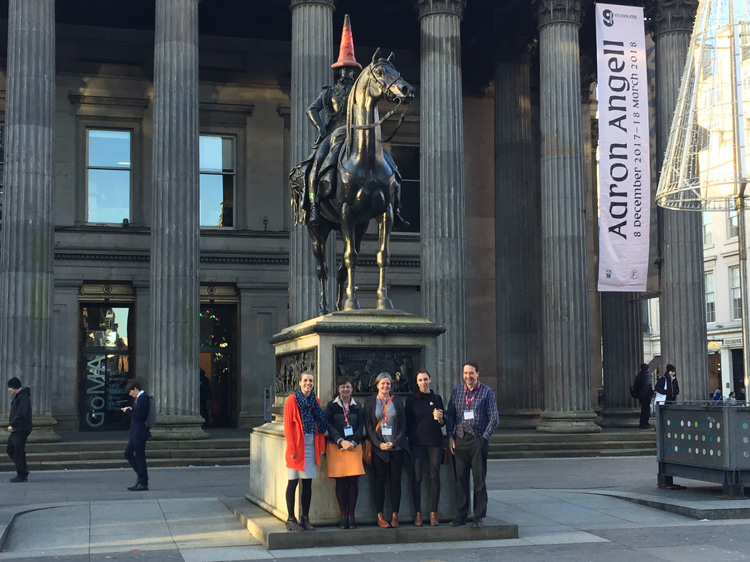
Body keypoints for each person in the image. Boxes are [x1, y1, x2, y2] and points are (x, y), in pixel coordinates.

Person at [293, 15, 408, 229]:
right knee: (316, 164)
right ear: (338, 71)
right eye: (343, 70)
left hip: (356, 133)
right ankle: (314, 205)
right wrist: (321, 128)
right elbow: (312, 110)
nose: (347, 73)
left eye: (350, 70)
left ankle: (397, 207)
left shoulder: (359, 91)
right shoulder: (330, 93)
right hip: (335, 135)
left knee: (392, 166)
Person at [446, 361, 498, 528]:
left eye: (471, 373)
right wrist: (450, 437)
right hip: (460, 439)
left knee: (479, 479)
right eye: (466, 373)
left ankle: (478, 516)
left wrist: (484, 438)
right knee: (460, 479)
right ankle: (461, 514)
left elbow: (494, 418)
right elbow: (450, 416)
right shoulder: (457, 391)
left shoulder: (486, 392)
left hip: (477, 439)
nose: (468, 376)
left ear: (478, 374)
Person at [284, 371, 328, 532]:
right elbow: (288, 427)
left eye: (310, 381)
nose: (308, 383)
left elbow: (320, 426)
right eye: (305, 380)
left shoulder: (315, 401)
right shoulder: (292, 400)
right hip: (296, 448)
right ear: (299, 383)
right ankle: (290, 518)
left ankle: (305, 518)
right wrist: (293, 449)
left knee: (307, 483)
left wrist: (321, 447)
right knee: (293, 481)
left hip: (310, 445)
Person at [364, 372, 409, 528]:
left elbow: (403, 424)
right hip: (379, 450)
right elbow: (368, 425)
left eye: (388, 384)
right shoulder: (370, 401)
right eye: (382, 383)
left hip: (395, 448)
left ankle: (395, 515)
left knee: (396, 481)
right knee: (379, 482)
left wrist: (395, 442)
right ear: (377, 385)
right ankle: (380, 515)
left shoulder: (397, 401)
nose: (385, 386)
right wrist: (378, 444)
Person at [325, 375, 365, 529]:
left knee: (353, 481)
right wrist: (340, 440)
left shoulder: (357, 406)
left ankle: (352, 515)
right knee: (340, 481)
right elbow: (328, 425)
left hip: (354, 447)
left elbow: (361, 426)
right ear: (338, 389)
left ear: (352, 388)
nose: (345, 389)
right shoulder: (332, 406)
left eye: (348, 386)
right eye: (342, 387)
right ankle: (343, 515)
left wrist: (354, 441)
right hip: (337, 447)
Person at [405, 370, 444, 527]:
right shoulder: (411, 400)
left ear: (430, 380)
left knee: (434, 476)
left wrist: (441, 419)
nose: (423, 382)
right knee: (416, 477)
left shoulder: (436, 398)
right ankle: (418, 513)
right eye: (420, 380)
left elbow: (443, 422)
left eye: (426, 379)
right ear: (417, 382)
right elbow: (407, 422)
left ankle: (434, 512)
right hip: (416, 443)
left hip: (434, 441)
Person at [120, 378, 151, 491]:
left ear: (136, 389)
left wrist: (128, 411)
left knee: (139, 456)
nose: (130, 394)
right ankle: (141, 477)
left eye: (131, 391)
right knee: (128, 453)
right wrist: (131, 409)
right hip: (137, 430)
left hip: (139, 431)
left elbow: (138, 415)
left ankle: (143, 480)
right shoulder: (142, 398)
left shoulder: (142, 398)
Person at [6, 377, 32, 483]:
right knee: (11, 449)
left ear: (14, 387)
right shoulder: (20, 396)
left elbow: (21, 413)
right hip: (18, 429)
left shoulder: (23, 397)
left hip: (20, 429)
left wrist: (13, 424)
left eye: (10, 387)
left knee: (18, 451)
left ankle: (22, 474)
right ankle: (22, 471)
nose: (9, 390)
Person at [634, 363, 654, 429]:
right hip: (646, 395)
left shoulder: (639, 375)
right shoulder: (646, 375)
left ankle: (642, 422)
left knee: (643, 409)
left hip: (641, 395)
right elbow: (646, 385)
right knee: (646, 409)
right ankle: (645, 423)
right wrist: (647, 394)